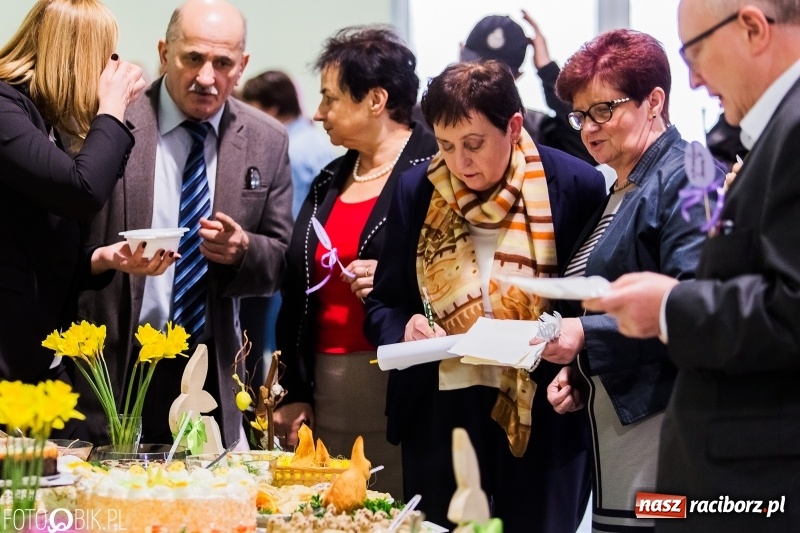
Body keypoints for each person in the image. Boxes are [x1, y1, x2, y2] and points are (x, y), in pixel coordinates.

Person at [582, 1, 800, 531]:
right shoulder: (776, 131)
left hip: (751, 474)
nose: (695, 79)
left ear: (752, 28)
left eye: (695, 53)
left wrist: (667, 307)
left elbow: (787, 307)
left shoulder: (779, 135)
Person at [364, 60, 607, 531]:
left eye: (473, 144)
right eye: (445, 145)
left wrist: (577, 372)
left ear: (513, 127)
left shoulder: (576, 184)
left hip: (541, 409)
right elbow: (385, 302)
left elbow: (590, 307)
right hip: (442, 410)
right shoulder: (418, 188)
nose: (459, 163)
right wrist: (405, 325)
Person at [78, 0, 293, 448]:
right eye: (192, 58)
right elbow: (67, 240)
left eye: (223, 63)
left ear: (242, 65)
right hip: (119, 358)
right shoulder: (111, 121)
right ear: (164, 53)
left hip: (211, 362)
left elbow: (279, 262)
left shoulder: (266, 139)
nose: (206, 77)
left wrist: (243, 250)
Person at [539, 29, 719, 533]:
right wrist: (582, 371)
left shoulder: (690, 175)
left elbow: (694, 306)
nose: (589, 128)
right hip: (621, 429)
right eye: (580, 115)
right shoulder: (620, 187)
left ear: (654, 102)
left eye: (603, 109)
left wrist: (584, 337)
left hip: (663, 426)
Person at [273, 26, 437, 498]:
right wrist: (293, 388)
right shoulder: (330, 177)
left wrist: (396, 279)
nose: (318, 113)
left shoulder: (433, 169)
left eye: (330, 98)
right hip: (325, 385)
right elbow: (296, 286)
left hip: (400, 383)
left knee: (396, 512)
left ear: (375, 100)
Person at [0, 0, 166, 398]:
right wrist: (112, 108)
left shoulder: (40, 118)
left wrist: (102, 258)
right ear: (75, 58)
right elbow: (81, 190)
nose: (111, 69)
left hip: (35, 356)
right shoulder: (4, 108)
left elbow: (35, 240)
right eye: (106, 56)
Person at [239, 70, 335, 368]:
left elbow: (285, 219)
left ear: (272, 109)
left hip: (292, 262)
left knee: (276, 349)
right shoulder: (319, 143)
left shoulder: (286, 150)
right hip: (324, 261)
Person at [447, 13, 595, 166]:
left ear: (517, 76)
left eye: (494, 76)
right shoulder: (432, 120)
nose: (480, 81)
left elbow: (589, 150)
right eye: (473, 67)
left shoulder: (536, 130)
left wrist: (547, 70)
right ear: (460, 52)